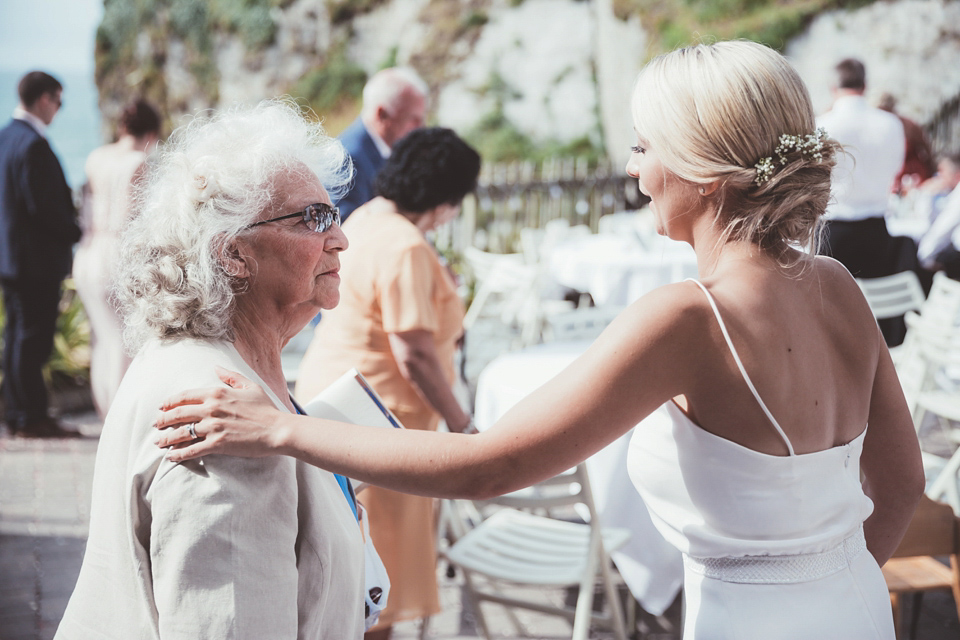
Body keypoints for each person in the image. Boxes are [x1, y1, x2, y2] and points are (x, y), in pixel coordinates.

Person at [155, 42, 924, 640]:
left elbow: (497, 464)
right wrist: (830, 584)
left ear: (706, 171)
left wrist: (283, 428)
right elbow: (901, 486)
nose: (632, 168)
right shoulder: (838, 286)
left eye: (645, 147)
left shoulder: (688, 316)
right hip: (855, 608)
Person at [55, 100, 368, 639]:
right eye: (313, 218)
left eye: (333, 214)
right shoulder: (224, 425)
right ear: (233, 253)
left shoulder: (195, 358)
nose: (339, 237)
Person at [295, 127, 480, 639]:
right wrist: (463, 426)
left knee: (350, 564)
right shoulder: (406, 246)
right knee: (376, 583)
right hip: (380, 419)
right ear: (446, 196)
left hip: (334, 392)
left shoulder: (369, 216)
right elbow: (416, 352)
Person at [0, 71, 82, 438]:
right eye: (59, 101)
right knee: (32, 340)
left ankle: (18, 414)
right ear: (45, 99)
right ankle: (31, 418)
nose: (58, 110)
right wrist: (77, 231)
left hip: (11, 258)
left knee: (17, 337)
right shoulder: (33, 144)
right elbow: (44, 208)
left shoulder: (5, 138)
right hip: (34, 263)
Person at [74, 98, 161, 418]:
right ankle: (119, 419)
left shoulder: (97, 156)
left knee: (102, 340)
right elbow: (130, 220)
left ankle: (104, 413)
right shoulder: (138, 161)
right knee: (123, 342)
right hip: (114, 256)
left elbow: (84, 205)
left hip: (87, 251)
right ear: (152, 132)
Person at [816, 58, 906, 279]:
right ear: (865, 86)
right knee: (873, 306)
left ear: (833, 88)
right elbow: (897, 167)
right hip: (876, 228)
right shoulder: (891, 123)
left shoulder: (822, 125)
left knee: (830, 306)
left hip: (833, 229)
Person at [336, 67, 428, 222]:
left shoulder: (382, 150)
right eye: (414, 119)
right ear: (382, 115)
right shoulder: (349, 157)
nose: (421, 127)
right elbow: (346, 227)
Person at [877, 92, 936, 194]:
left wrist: (932, 168)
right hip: (888, 174)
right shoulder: (877, 127)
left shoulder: (908, 125)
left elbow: (925, 147)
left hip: (909, 174)